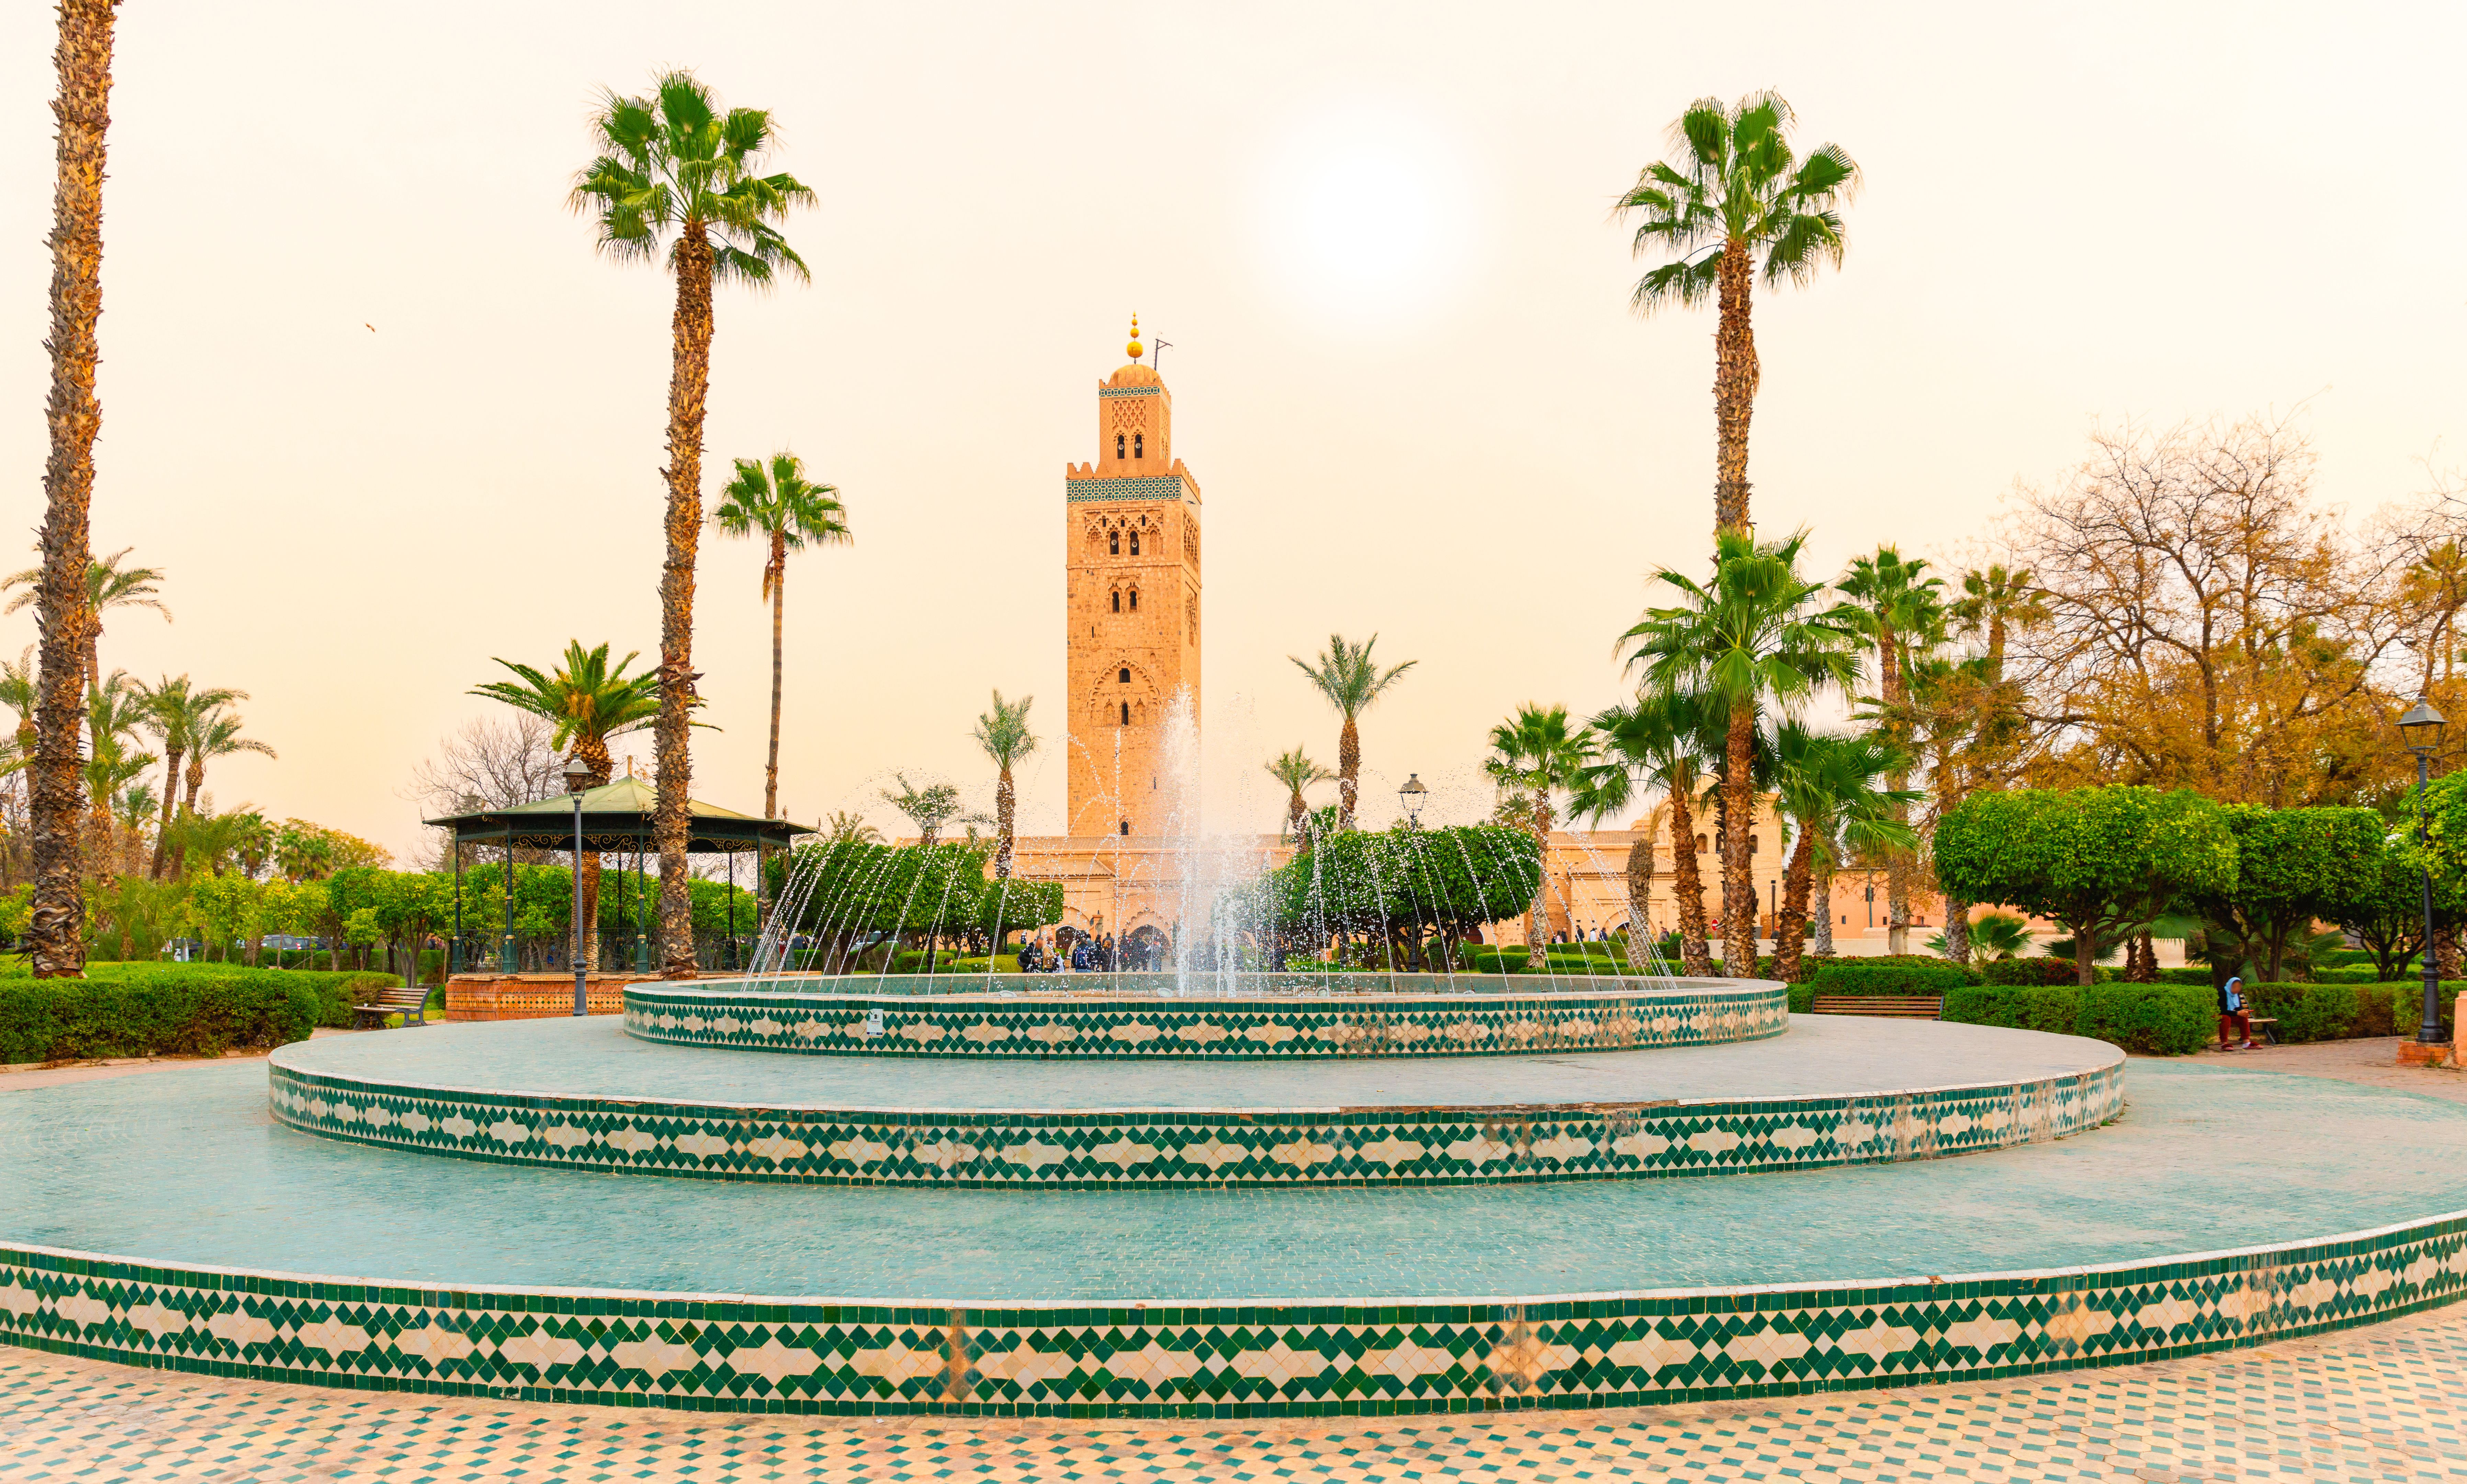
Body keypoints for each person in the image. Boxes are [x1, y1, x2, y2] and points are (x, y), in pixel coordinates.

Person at [2218, 975, 2257, 1051]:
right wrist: (2237, 1013)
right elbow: (2221, 1010)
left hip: (2230, 1015)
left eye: (2239, 987)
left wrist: (2244, 1011)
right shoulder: (2222, 993)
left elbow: (2239, 1008)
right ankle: (2224, 1043)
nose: (2237, 989)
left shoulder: (2236, 995)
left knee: (2243, 1017)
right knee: (2226, 1018)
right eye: (2234, 987)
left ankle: (2246, 1043)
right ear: (2230, 985)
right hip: (2219, 1015)